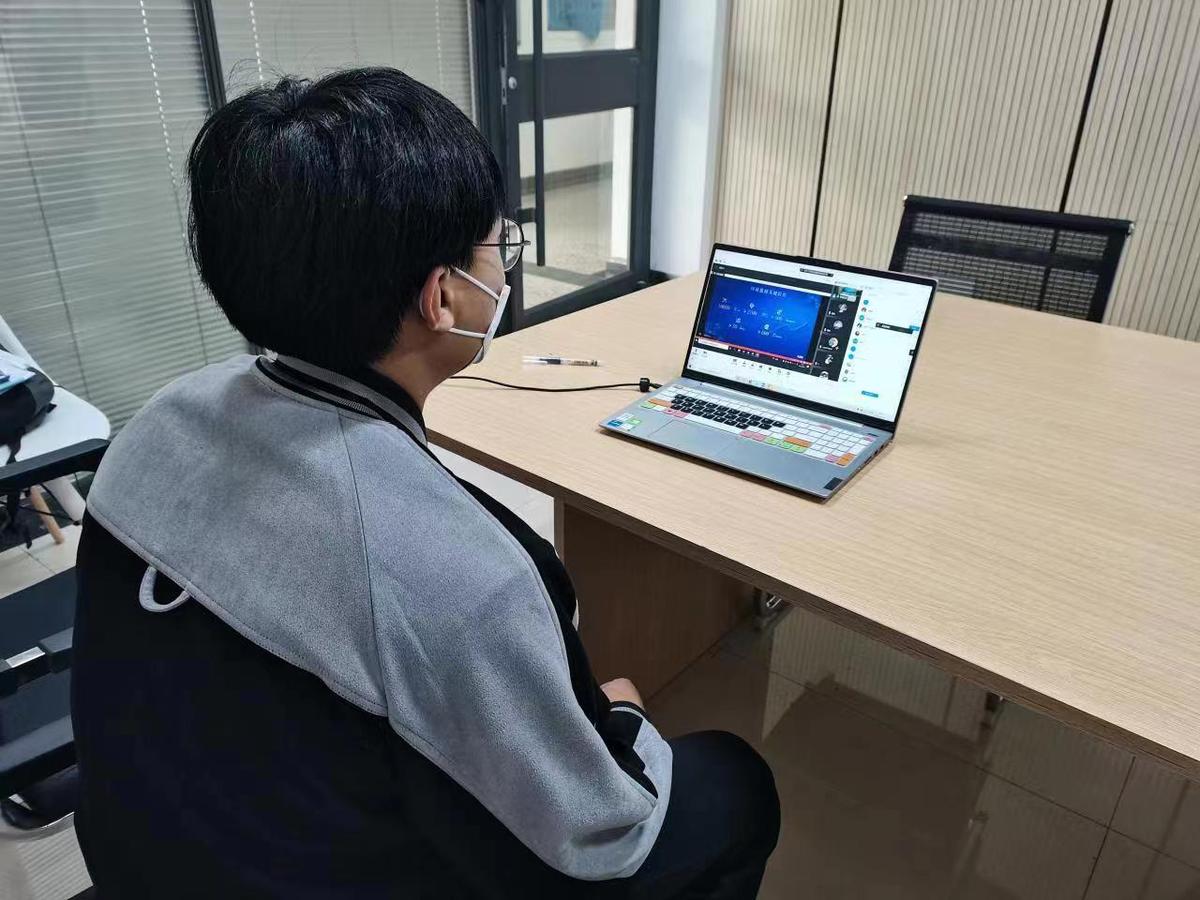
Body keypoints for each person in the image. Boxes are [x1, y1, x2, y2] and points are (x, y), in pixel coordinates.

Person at [70, 67, 779, 898]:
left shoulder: (157, 422)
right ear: (442, 297)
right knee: (732, 781)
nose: (504, 266)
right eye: (497, 246)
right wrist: (619, 718)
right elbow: (594, 831)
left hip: (139, 856)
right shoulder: (465, 576)